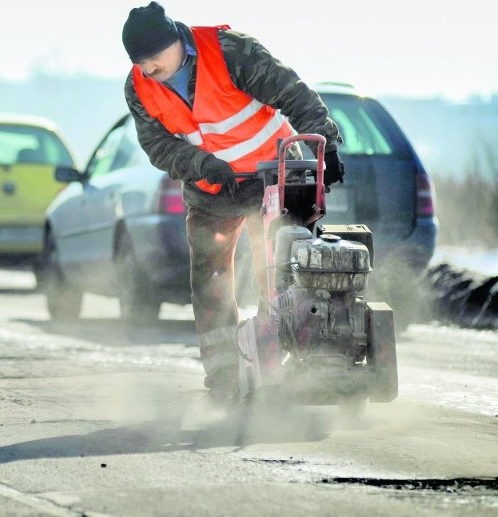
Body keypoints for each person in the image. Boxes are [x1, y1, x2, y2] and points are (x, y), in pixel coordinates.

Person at [122, 2, 345, 406]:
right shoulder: (138, 87)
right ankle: (224, 377)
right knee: (211, 281)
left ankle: (277, 356)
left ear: (175, 41)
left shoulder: (230, 51)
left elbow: (292, 93)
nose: (148, 69)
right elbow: (157, 146)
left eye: (153, 58)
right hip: (213, 189)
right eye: (140, 62)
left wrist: (324, 145)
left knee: (279, 269)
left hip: (273, 176)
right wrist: (202, 164)